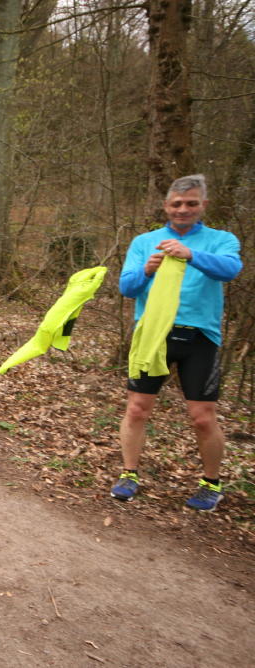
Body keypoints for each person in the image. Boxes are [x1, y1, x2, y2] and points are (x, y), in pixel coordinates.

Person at [111, 174, 242, 511]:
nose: (183, 209)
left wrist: (190, 254)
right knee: (137, 408)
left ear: (203, 205)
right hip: (153, 334)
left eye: (191, 203)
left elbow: (230, 269)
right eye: (177, 204)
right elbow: (127, 287)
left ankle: (211, 483)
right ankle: (129, 474)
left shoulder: (221, 239)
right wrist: (147, 271)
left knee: (202, 416)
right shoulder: (145, 241)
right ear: (166, 206)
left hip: (200, 337)